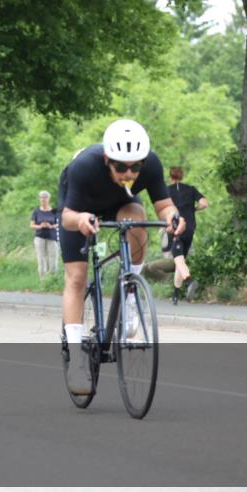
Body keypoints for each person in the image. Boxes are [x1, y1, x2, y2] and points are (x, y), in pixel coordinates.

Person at [59, 119, 185, 395]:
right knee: (77, 278)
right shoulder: (85, 167)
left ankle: (130, 294)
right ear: (107, 159)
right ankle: (78, 361)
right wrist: (80, 218)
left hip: (120, 204)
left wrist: (174, 217)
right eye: (121, 167)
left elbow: (163, 205)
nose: (129, 173)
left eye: (135, 167)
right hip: (80, 209)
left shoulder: (151, 164)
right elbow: (67, 216)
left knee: (138, 219)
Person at [167, 166, 208, 303]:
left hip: (176, 228)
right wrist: (194, 210)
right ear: (182, 176)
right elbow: (204, 203)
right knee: (181, 260)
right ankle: (176, 294)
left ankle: (189, 280)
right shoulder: (191, 189)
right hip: (190, 229)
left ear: (170, 177)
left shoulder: (166, 191)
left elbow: (164, 210)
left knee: (178, 258)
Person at [29, 190, 59, 277]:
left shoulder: (54, 210)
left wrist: (51, 226)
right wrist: (40, 226)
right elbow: (31, 225)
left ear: (49, 198)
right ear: (39, 199)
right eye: (41, 197)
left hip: (52, 237)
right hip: (40, 237)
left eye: (45, 197)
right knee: (41, 258)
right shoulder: (36, 211)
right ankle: (43, 280)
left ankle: (53, 279)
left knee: (53, 257)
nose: (43, 199)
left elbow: (59, 223)